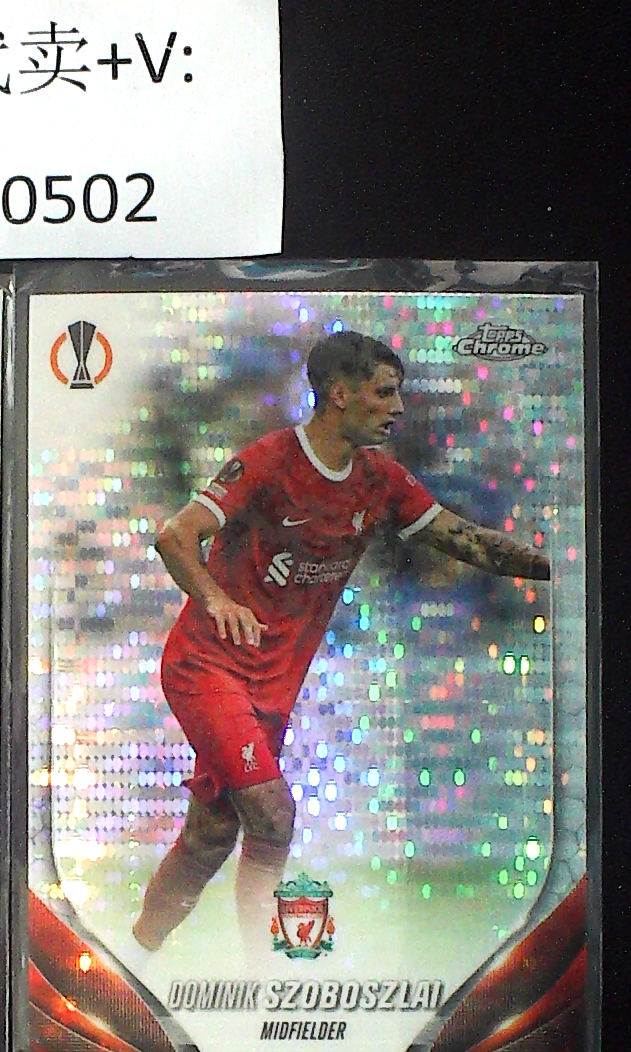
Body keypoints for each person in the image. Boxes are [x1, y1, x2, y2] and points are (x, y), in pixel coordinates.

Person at [130, 331, 550, 965]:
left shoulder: (381, 480)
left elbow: (470, 543)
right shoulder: (269, 462)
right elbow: (174, 536)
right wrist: (216, 599)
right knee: (273, 816)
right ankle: (264, 985)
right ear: (339, 394)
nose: (398, 407)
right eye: (385, 392)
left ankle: (135, 955)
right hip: (208, 665)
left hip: (272, 683)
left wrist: (563, 568)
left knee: (211, 834)